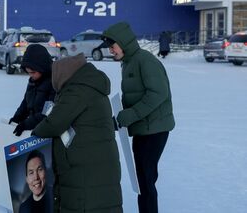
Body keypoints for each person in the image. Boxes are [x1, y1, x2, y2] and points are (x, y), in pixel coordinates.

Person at [32, 54, 122, 213]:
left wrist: (34, 132)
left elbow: (54, 123)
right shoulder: (89, 85)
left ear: (62, 75)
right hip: (96, 161)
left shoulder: (77, 91)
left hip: (85, 166)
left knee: (87, 203)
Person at [101, 21, 175, 213]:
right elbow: (135, 96)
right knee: (142, 179)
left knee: (145, 180)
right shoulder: (129, 62)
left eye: (112, 46)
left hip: (155, 129)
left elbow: (158, 93)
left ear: (123, 42)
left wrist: (131, 115)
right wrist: (120, 118)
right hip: (143, 128)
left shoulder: (145, 60)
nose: (111, 51)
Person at [9, 44, 55, 136]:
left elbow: (47, 112)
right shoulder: (33, 81)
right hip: (33, 128)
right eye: (28, 72)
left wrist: (26, 124)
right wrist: (17, 117)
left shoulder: (53, 83)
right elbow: (26, 103)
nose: (31, 75)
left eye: (33, 72)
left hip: (46, 131)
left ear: (42, 68)